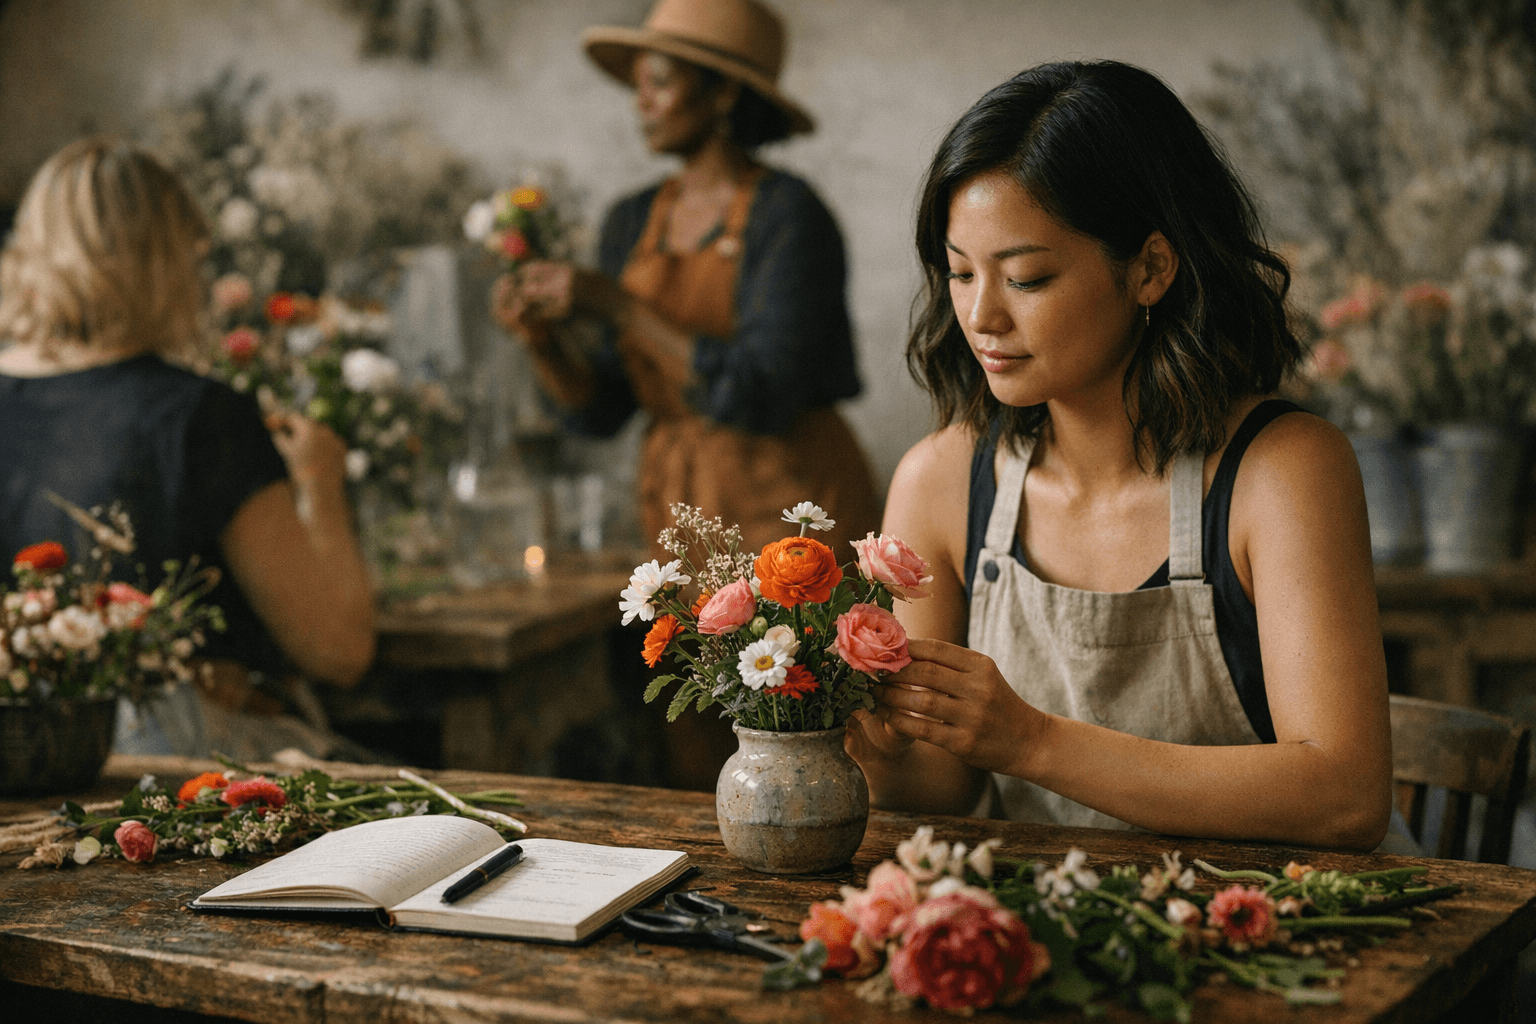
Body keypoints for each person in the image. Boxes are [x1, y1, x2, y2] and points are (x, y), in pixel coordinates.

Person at [845, 61, 1399, 851]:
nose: (980, 316)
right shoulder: (940, 480)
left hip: (1279, 926)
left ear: (1150, 268)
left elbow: (1345, 798)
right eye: (960, 272)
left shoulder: (1280, 471)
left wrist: (1032, 741)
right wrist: (873, 746)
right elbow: (945, 787)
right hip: (1055, 934)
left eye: (1026, 277)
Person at [493, 0, 882, 788]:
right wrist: (542, 340)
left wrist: (622, 307)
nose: (641, 99)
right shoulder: (633, 219)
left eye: (661, 80)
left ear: (723, 95)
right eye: (638, 82)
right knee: (699, 730)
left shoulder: (789, 215)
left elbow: (764, 391)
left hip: (790, 496)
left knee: (809, 722)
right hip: (679, 508)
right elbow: (600, 409)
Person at [0, 137, 376, 762]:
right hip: (163, 765)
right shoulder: (199, 416)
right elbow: (339, 650)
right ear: (166, 260)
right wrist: (320, 479)